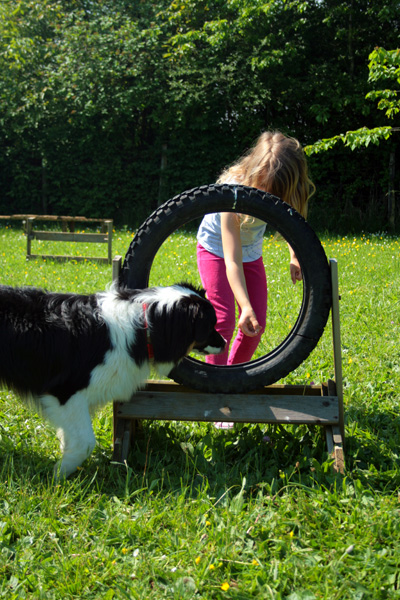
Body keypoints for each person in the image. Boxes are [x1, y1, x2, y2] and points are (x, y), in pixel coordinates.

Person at [197, 130, 315, 377]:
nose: (268, 199)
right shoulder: (231, 190)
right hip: (217, 249)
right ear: (253, 175)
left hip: (251, 253)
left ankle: (234, 377)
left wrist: (294, 254)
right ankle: (216, 384)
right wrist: (245, 304)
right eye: (264, 191)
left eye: (275, 195)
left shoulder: (285, 188)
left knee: (255, 324)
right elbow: (231, 261)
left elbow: (291, 220)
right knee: (225, 319)